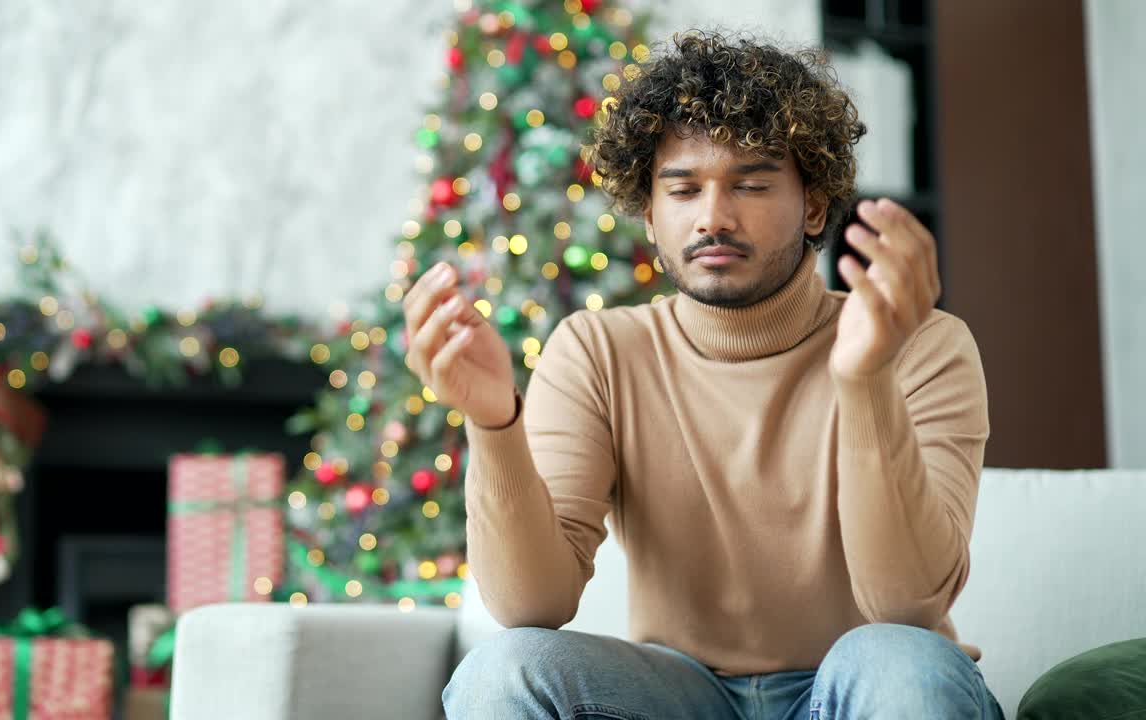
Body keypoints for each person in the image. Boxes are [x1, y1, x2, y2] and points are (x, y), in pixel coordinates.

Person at [404, 29, 1002, 719]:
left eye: (750, 184)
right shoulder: (599, 350)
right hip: (681, 696)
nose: (713, 218)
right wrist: (494, 421)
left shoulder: (923, 344)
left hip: (865, 688)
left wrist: (866, 380)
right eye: (683, 190)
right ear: (651, 215)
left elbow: (907, 605)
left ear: (813, 205)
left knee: (902, 660)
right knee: (503, 672)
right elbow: (531, 606)